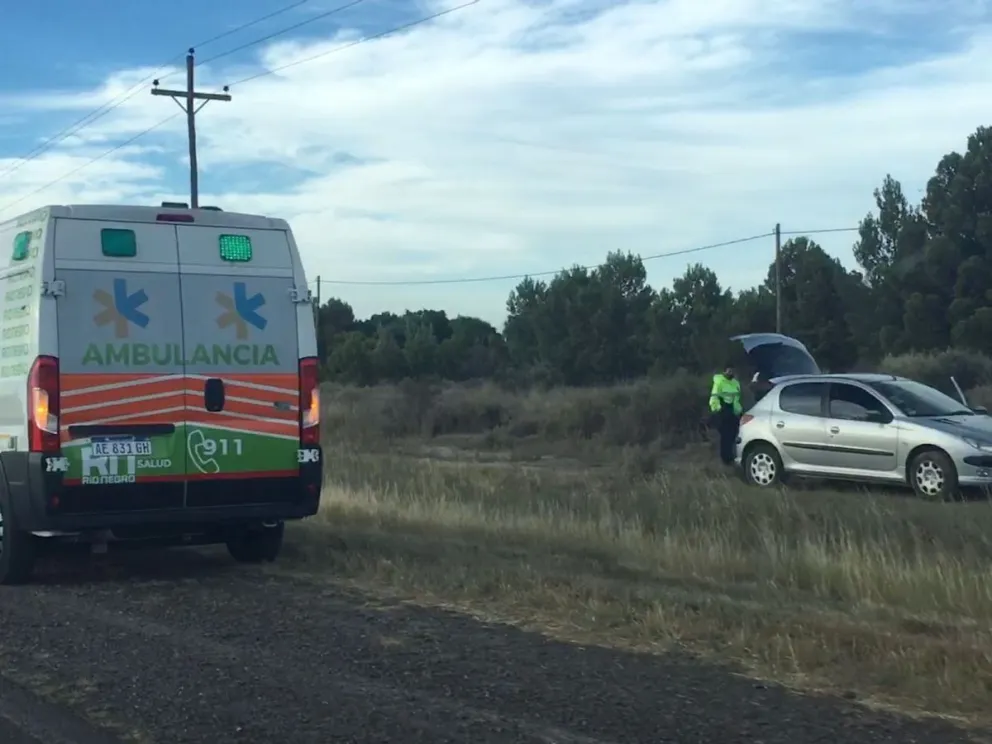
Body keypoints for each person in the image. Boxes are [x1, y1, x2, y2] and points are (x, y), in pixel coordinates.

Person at [709, 365, 743, 465]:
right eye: (729, 371)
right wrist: (718, 409)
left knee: (733, 434)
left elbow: (737, 399)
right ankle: (725, 458)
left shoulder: (736, 383)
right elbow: (714, 397)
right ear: (724, 371)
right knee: (725, 436)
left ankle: (732, 456)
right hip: (723, 410)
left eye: (732, 370)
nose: (730, 372)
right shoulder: (719, 382)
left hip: (733, 411)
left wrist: (739, 411)